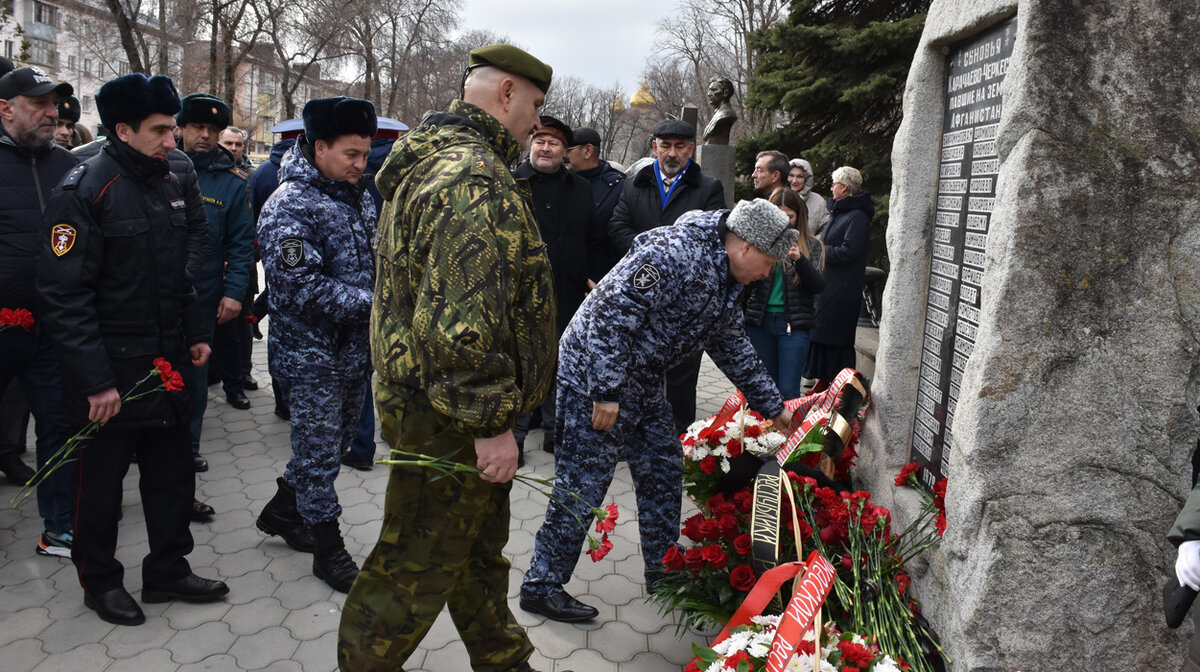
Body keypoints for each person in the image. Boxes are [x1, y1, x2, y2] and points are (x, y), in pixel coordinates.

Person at [338, 43, 557, 672]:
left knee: (474, 551)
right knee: (413, 564)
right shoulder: (471, 177)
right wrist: (490, 426)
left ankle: (502, 657)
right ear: (506, 93)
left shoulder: (449, 162)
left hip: (439, 405)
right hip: (451, 415)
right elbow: (461, 329)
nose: (536, 124)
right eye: (534, 106)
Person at [520, 199, 797, 622]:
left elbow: (731, 343)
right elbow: (612, 317)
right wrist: (606, 391)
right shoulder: (673, 253)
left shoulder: (728, 275)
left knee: (663, 467)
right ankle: (541, 585)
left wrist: (772, 406)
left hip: (642, 378)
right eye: (768, 262)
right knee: (585, 482)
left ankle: (664, 570)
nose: (768, 273)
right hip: (594, 376)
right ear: (744, 247)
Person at [37, 72, 229, 627]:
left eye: (172, 130)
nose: (172, 141)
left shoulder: (168, 180)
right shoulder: (83, 191)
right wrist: (95, 381)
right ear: (122, 129)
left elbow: (179, 276)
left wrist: (195, 333)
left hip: (165, 361)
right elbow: (63, 297)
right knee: (99, 487)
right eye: (161, 130)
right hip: (110, 374)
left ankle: (167, 569)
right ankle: (99, 581)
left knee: (172, 476)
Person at [255, 96, 377, 593]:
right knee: (318, 453)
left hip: (352, 352)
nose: (360, 164)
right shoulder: (290, 203)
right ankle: (328, 551)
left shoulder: (359, 195)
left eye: (366, 154)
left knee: (333, 445)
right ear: (318, 146)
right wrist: (379, 303)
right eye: (351, 154)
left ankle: (283, 511)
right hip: (311, 357)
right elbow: (298, 286)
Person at [0, 65, 79, 555]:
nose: (53, 114)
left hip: (52, 327)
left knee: (58, 425)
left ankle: (59, 526)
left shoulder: (69, 167)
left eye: (54, 104)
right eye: (39, 105)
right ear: (6, 110)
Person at [608, 118, 726, 436]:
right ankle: (630, 437)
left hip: (685, 302)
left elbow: (714, 238)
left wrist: (671, 261)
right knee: (635, 371)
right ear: (654, 147)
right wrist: (654, 255)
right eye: (665, 146)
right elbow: (618, 227)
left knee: (681, 377)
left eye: (679, 146)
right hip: (640, 294)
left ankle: (678, 441)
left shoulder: (708, 188)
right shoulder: (634, 185)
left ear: (691, 149)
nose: (671, 153)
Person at [175, 94, 254, 506]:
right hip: (154, 299)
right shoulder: (161, 168)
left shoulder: (232, 180)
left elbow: (241, 244)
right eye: (196, 127)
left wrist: (234, 292)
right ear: (182, 128)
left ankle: (188, 444)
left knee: (196, 377)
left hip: (204, 297)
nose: (203, 135)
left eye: (211, 129)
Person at [512, 115, 606, 459]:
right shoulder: (511, 184)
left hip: (569, 293)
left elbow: (595, 240)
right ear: (530, 145)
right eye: (539, 141)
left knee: (562, 364)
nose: (545, 148)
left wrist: (593, 277)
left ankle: (556, 433)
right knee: (525, 368)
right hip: (521, 297)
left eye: (553, 143)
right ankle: (516, 438)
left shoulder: (580, 189)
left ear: (565, 150)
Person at [742, 188, 825, 401]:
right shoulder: (757, 241)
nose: (784, 220)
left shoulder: (812, 245)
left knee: (788, 391)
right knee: (762, 389)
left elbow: (817, 285)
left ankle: (788, 434)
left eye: (789, 215)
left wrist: (800, 260)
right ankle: (759, 434)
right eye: (778, 214)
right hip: (759, 322)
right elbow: (744, 283)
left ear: (799, 216)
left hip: (793, 326)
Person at [807, 166, 872, 386]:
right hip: (829, 285)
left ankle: (838, 385)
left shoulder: (857, 216)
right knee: (824, 335)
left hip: (842, 288)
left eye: (834, 183)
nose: (831, 187)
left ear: (843, 188)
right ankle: (824, 381)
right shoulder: (841, 212)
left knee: (836, 338)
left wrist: (821, 251)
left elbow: (849, 251)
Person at [565, 125, 623, 276]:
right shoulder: (561, 181)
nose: (563, 154)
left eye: (568, 149)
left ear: (588, 151)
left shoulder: (618, 187)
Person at [788, 158, 830, 238]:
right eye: (791, 175)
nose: (794, 180)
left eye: (800, 176)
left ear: (807, 179)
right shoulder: (777, 197)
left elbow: (825, 230)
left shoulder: (818, 201)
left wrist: (811, 246)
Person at [701, 77, 737, 146]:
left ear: (725, 93)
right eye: (709, 90)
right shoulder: (718, 114)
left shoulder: (726, 115)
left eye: (713, 90)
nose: (708, 94)